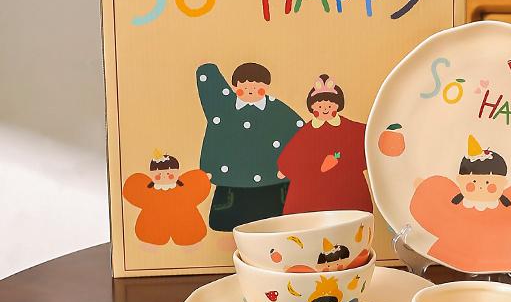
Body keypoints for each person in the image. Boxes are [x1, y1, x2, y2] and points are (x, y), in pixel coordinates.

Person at [409, 134, 511, 272]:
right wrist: (424, 190)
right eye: (472, 182)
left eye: (489, 183)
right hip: (451, 254)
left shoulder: (510, 206)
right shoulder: (453, 204)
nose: (480, 187)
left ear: (503, 183)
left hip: (509, 255)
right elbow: (434, 209)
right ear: (460, 181)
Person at [195, 62, 302, 230]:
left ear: (266, 87)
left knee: (275, 217)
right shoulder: (224, 108)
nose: (250, 91)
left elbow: (299, 135)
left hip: (272, 178)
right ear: (235, 86)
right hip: (232, 180)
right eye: (244, 87)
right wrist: (209, 167)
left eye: (257, 87)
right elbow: (209, 85)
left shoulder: (277, 109)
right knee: (231, 216)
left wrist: (290, 166)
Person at [277, 74, 373, 215]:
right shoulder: (306, 132)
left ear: (337, 106)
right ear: (313, 107)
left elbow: (368, 139)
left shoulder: (351, 128)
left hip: (346, 185)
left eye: (329, 105)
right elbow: (293, 151)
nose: (325, 109)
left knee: (350, 212)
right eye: (320, 106)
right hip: (313, 188)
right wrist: (285, 167)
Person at [122, 151, 211, 245]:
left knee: (187, 230)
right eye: (159, 174)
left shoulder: (184, 187)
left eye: (169, 173)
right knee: (153, 231)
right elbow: (133, 190)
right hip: (155, 220)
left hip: (184, 219)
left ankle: (189, 238)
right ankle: (152, 238)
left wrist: (204, 178)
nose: (164, 176)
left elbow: (196, 184)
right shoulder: (148, 190)